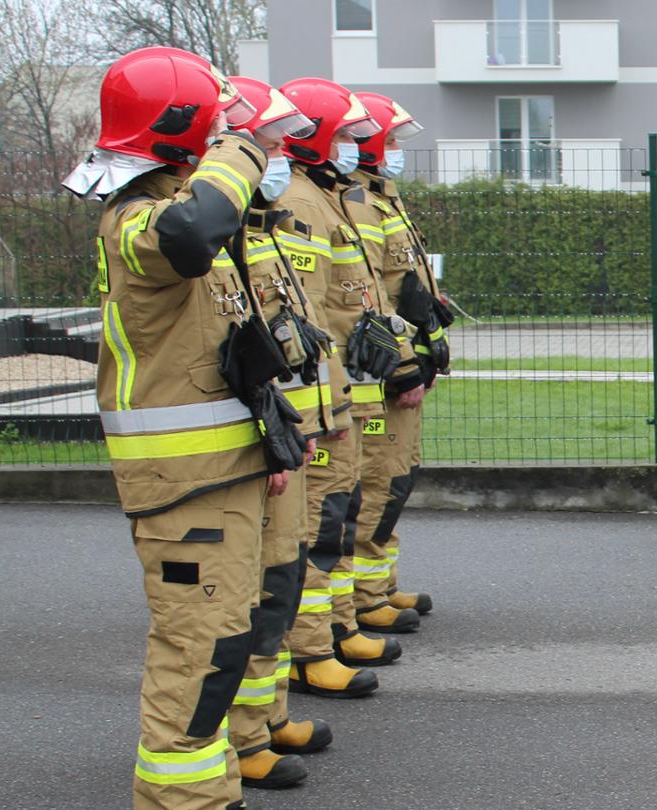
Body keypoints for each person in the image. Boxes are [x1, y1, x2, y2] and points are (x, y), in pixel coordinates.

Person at [63, 45, 306, 810]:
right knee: (198, 651)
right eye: (213, 129)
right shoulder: (137, 220)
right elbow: (193, 231)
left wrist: (272, 433)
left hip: (221, 472)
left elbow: (222, 350)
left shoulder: (171, 205)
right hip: (184, 485)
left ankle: (209, 790)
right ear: (182, 132)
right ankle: (180, 798)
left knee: (225, 643)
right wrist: (242, 141)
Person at [220, 73, 342, 792]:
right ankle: (242, 734)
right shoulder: (217, 239)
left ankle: (263, 719)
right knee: (254, 592)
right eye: (266, 144)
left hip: (283, 433)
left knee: (283, 576)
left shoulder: (266, 230)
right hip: (248, 447)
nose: (279, 159)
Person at [273, 76, 400, 696]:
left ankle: (336, 626)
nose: (360, 146)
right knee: (315, 528)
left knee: (337, 517)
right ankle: (311, 649)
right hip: (314, 401)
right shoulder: (302, 200)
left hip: (337, 395)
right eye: (348, 135)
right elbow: (310, 315)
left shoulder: (328, 196)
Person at [350, 90, 446, 616]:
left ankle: (381, 584)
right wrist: (406, 362)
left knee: (396, 479)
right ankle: (364, 599)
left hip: (401, 361)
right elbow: (371, 294)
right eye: (389, 142)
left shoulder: (381, 196)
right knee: (376, 484)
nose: (397, 151)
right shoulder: (359, 204)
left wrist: (432, 330)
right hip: (382, 373)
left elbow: (404, 283)